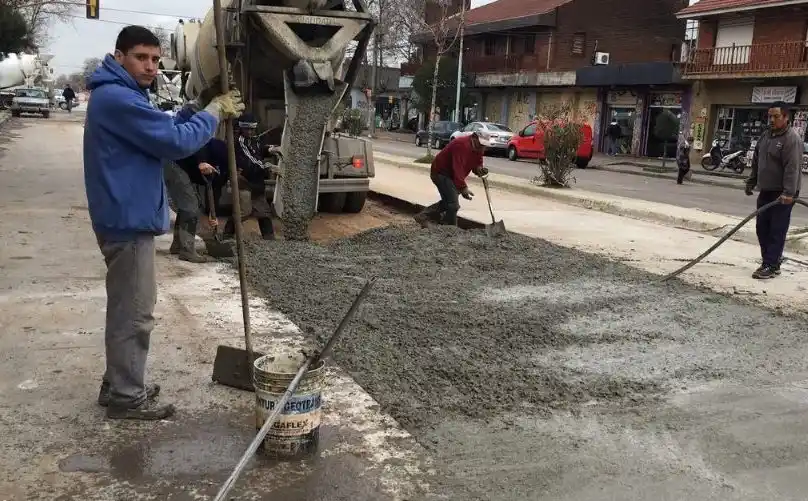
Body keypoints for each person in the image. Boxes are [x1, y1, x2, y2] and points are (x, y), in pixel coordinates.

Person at [83, 25, 244, 420]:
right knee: (135, 312)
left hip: (123, 214)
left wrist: (197, 108)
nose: (151, 66)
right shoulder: (119, 99)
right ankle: (125, 396)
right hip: (126, 219)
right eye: (141, 57)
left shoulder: (121, 96)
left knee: (128, 305)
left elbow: (166, 127)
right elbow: (174, 142)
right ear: (119, 56)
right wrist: (211, 113)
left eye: (156, 59)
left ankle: (116, 383)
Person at [744, 101, 802, 280]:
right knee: (762, 227)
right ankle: (771, 262)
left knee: (777, 229)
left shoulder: (791, 139)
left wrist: (788, 193)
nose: (771, 119)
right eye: (770, 116)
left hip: (783, 193)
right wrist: (752, 181)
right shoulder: (765, 136)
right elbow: (756, 160)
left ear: (786, 117)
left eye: (776, 116)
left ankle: (769, 264)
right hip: (766, 189)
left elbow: (792, 168)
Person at [166, 137, 229, 262]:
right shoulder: (221, 149)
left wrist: (212, 213)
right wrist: (202, 161)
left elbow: (214, 188)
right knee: (191, 206)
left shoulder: (225, 174)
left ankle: (178, 245)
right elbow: (202, 142)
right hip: (176, 165)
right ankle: (187, 250)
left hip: (181, 169)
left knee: (188, 205)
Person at [414, 132, 488, 227]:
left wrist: (479, 169)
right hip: (441, 173)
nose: (483, 148)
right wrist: (463, 188)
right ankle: (450, 228)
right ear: (474, 138)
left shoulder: (478, 148)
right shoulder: (461, 145)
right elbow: (458, 168)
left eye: (485, 146)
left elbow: (477, 161)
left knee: (449, 202)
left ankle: (432, 220)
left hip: (452, 176)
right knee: (453, 204)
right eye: (481, 144)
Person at [222, 112, 276, 240]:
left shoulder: (254, 139)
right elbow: (249, 160)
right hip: (245, 182)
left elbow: (258, 150)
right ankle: (227, 236)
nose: (250, 132)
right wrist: (267, 166)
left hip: (257, 182)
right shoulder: (239, 142)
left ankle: (270, 239)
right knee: (243, 211)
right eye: (247, 129)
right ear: (241, 128)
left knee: (264, 212)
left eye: (252, 129)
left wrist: (270, 150)